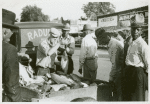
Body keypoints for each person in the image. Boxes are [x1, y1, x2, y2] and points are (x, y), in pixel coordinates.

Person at [2, 28, 39, 102]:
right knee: (36, 96)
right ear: (5, 31)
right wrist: (17, 100)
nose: (12, 33)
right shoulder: (9, 49)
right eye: (11, 30)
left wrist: (19, 55)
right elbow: (12, 84)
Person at [123, 14, 149, 101]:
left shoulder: (142, 44)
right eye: (133, 29)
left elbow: (148, 63)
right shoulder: (131, 42)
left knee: (137, 98)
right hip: (129, 72)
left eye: (138, 29)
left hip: (138, 74)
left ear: (141, 31)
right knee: (129, 97)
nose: (135, 31)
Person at [98, 28, 124, 101]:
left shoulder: (113, 45)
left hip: (120, 73)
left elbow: (115, 65)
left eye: (100, 39)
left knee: (118, 94)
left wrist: (111, 78)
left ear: (106, 37)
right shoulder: (111, 43)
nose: (100, 42)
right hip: (119, 71)